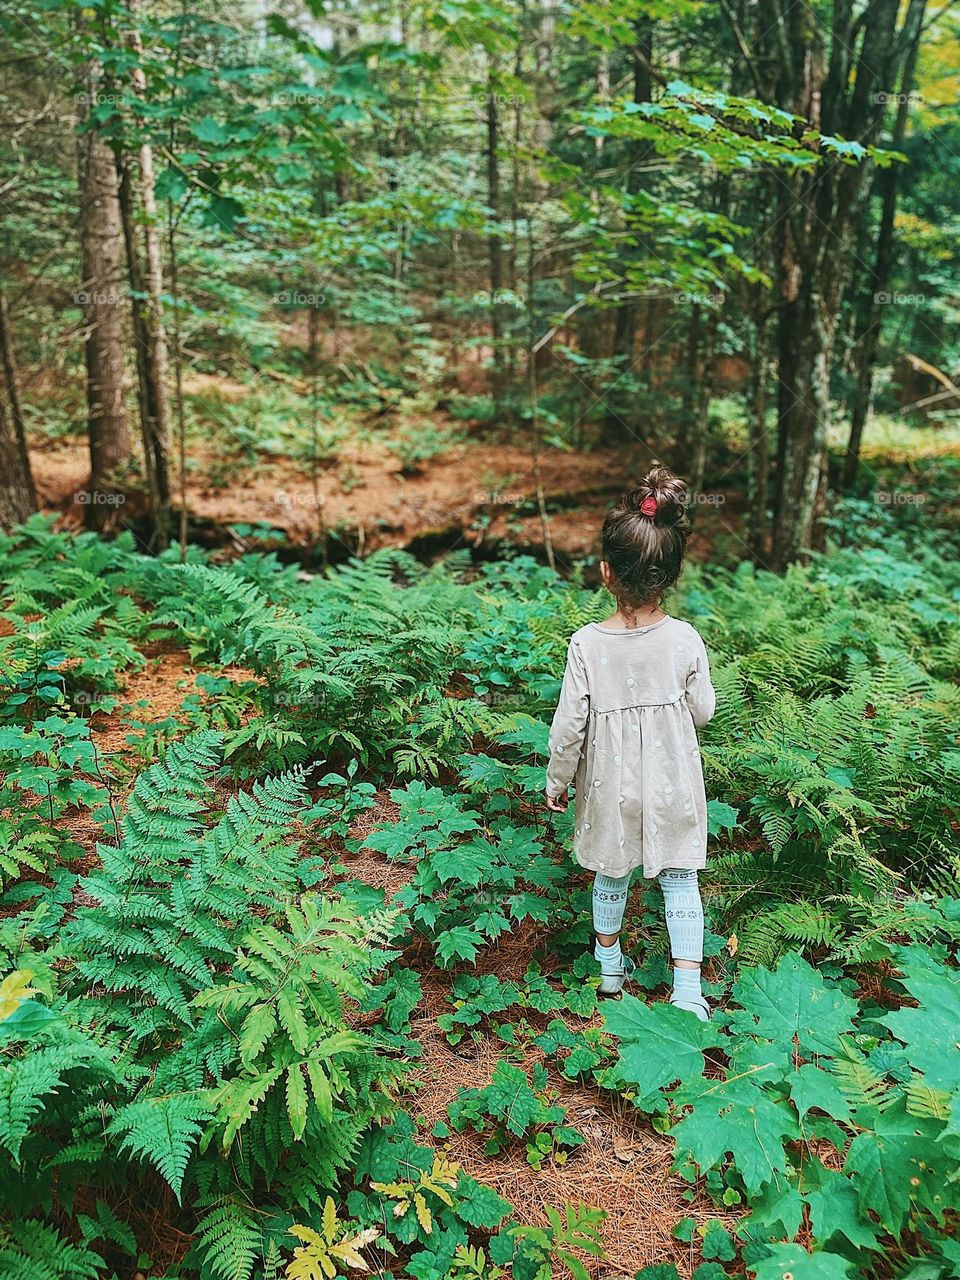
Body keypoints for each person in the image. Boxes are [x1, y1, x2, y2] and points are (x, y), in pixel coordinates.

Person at [544, 466, 716, 1019]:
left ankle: (610, 972)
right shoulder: (685, 638)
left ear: (604, 572)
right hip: (671, 784)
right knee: (680, 878)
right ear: (672, 573)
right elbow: (705, 711)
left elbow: (570, 726)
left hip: (610, 786)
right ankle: (688, 992)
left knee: (610, 871)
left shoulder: (587, 645)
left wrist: (557, 782)